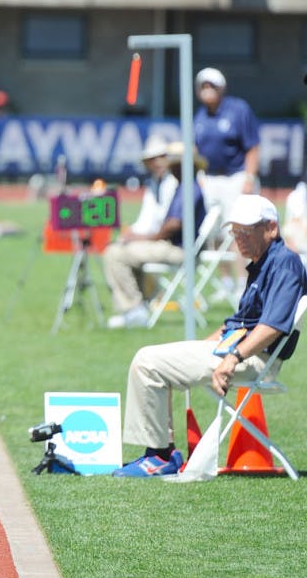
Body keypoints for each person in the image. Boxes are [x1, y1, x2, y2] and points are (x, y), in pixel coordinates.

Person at [112, 194, 307, 477]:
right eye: (235, 232)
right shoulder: (263, 262)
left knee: (147, 361)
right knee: (154, 359)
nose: (238, 238)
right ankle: (162, 453)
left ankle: (159, 457)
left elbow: (273, 326)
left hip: (253, 359)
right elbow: (239, 323)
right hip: (238, 351)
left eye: (246, 231)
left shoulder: (284, 263)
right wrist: (199, 348)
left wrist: (232, 358)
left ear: (271, 228)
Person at [104, 136, 207, 329]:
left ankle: (134, 309)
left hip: (179, 250)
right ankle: (137, 306)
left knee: (115, 254)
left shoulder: (188, 188)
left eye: (174, 165)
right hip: (175, 246)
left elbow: (172, 226)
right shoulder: (184, 186)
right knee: (120, 251)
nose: (171, 168)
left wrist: (142, 238)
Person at [194, 66, 260, 293]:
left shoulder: (238, 110)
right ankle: (225, 282)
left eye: (211, 85)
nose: (206, 90)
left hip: (235, 176)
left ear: (221, 88)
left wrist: (249, 177)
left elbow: (252, 146)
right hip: (211, 179)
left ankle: (243, 280)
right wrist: (199, 174)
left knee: (236, 230)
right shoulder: (200, 115)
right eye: (203, 86)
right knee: (214, 231)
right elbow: (196, 147)